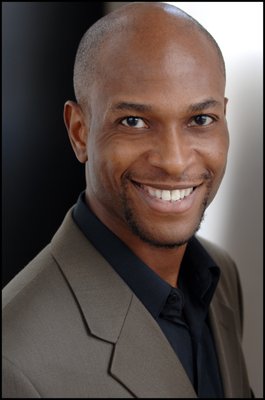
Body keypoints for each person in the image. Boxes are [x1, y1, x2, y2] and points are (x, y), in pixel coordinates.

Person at [2, 2, 253, 398]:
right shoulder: (13, 358)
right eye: (133, 122)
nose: (173, 161)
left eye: (200, 120)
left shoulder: (221, 279)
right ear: (80, 133)